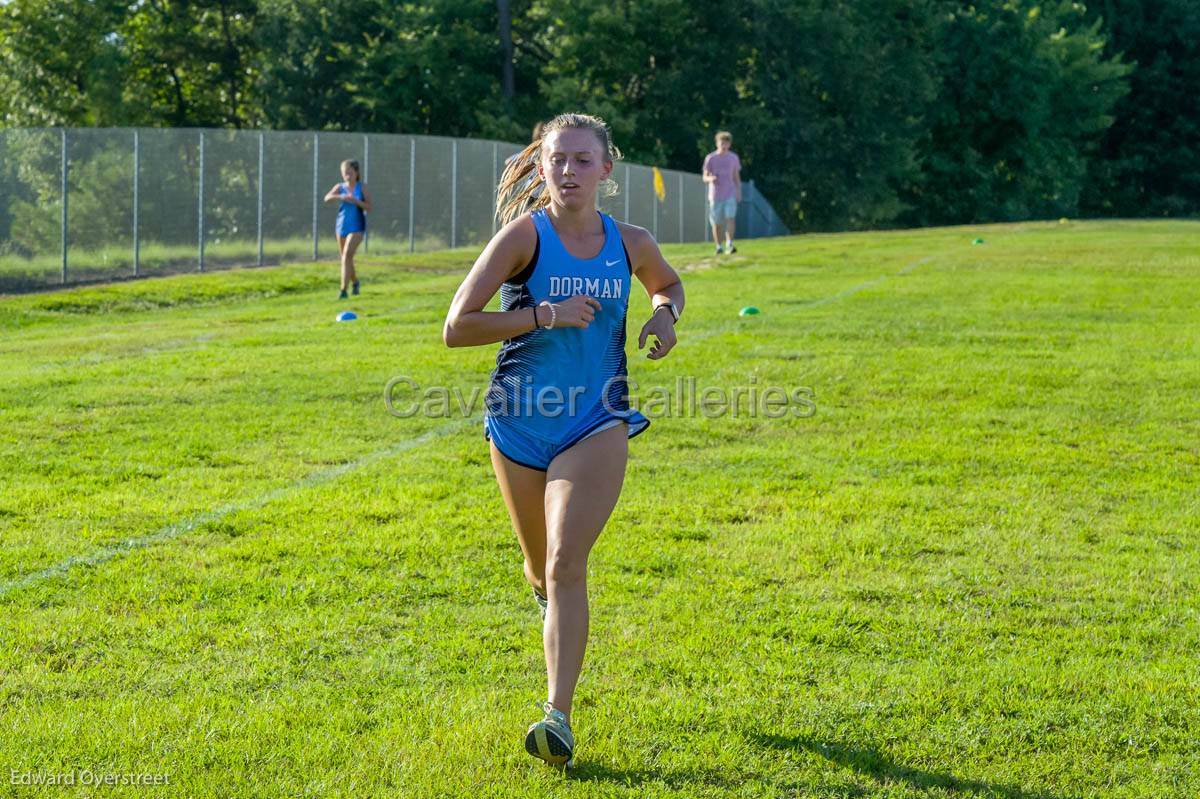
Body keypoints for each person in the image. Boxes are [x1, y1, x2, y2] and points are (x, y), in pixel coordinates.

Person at [443, 113, 684, 769]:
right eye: (559, 161)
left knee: (565, 562)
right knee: (539, 566)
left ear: (607, 169)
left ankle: (557, 717)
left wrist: (665, 316)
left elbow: (668, 283)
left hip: (596, 420)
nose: (570, 172)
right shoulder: (523, 237)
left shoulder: (629, 241)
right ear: (541, 167)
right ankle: (552, 606)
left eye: (583, 160)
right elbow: (457, 326)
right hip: (519, 423)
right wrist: (541, 314)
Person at [323, 159, 372, 299]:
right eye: (345, 173)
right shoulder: (340, 187)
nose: (347, 176)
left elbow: (369, 207)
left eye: (350, 173)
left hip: (357, 226)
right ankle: (355, 282)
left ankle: (343, 290)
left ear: (356, 172)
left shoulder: (362, 187)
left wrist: (356, 201)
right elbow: (327, 198)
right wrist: (341, 196)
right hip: (341, 226)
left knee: (346, 255)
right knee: (346, 258)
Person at [702, 131, 741, 255]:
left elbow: (736, 176)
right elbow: (704, 177)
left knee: (730, 218)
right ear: (717, 143)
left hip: (730, 193)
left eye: (726, 143)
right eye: (722, 143)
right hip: (715, 195)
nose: (724, 145)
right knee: (717, 222)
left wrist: (739, 191)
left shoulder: (734, 158)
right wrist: (711, 179)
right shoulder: (711, 158)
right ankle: (718, 246)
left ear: (729, 144)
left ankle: (729, 243)